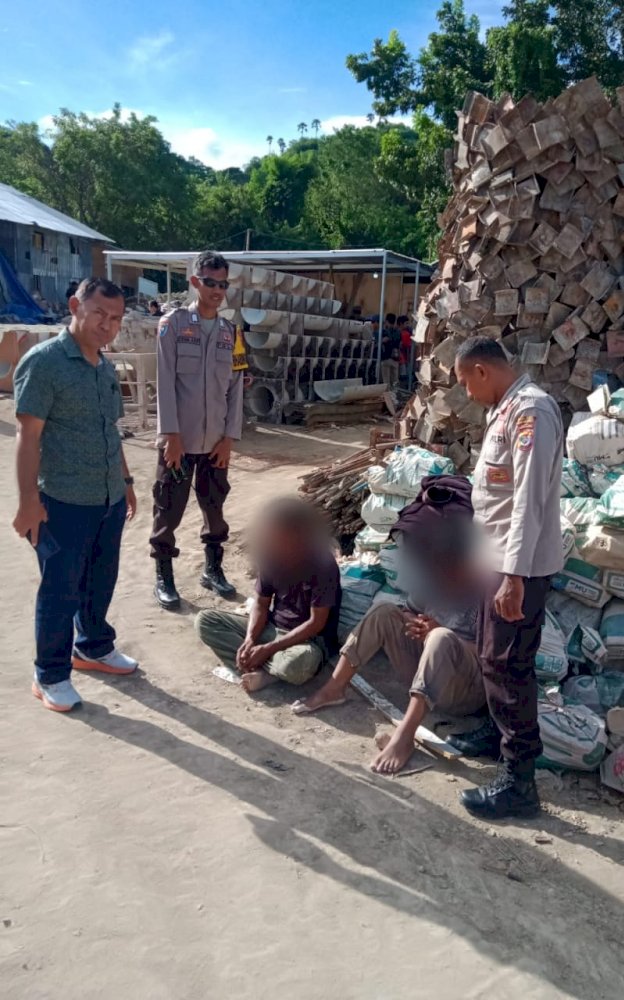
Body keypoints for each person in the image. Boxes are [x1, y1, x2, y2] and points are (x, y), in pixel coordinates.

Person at [12, 277, 139, 713]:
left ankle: (93, 647)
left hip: (106, 498)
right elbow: (27, 437)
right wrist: (28, 500)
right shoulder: (45, 363)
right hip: (63, 500)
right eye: (100, 313)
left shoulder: (104, 366)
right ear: (75, 306)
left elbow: (112, 432)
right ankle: (49, 673)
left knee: (100, 580)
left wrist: (125, 483)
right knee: (60, 589)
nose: (108, 325)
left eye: (116, 318)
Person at [451, 335, 564, 820]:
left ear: (482, 371)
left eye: (464, 383)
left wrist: (513, 577)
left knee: (508, 665)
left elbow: (528, 503)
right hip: (495, 561)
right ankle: (495, 735)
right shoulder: (506, 409)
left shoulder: (530, 413)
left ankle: (519, 782)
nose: (467, 395)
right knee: (491, 657)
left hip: (517, 568)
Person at [292, 559, 485, 775]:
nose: (445, 576)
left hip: (465, 690)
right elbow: (409, 610)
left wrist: (440, 631)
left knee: (441, 637)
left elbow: (495, 657)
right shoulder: (435, 579)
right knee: (383, 610)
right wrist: (416, 624)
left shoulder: (489, 593)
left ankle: (405, 736)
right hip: (428, 671)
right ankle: (334, 688)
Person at [150, 251, 244, 610]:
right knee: (168, 508)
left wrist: (229, 437)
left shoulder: (230, 332)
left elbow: (236, 388)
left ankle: (213, 570)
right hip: (178, 441)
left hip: (215, 443)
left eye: (223, 284)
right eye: (210, 282)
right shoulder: (172, 325)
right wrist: (170, 435)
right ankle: (164, 576)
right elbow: (164, 382)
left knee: (214, 506)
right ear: (195, 282)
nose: (217, 290)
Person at [195, 498, 341, 694]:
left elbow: (316, 623)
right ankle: (262, 668)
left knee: (299, 664)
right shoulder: (271, 555)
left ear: (298, 534)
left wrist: (268, 649)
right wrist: (250, 640)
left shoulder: (323, 564)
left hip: (308, 641)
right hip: (272, 629)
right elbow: (261, 604)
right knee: (205, 621)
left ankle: (259, 668)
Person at [397, 314, 413, 387]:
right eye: (406, 323)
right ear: (401, 324)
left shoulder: (396, 332)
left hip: (398, 359)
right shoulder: (406, 334)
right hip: (403, 359)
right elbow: (408, 347)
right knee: (403, 378)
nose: (407, 325)